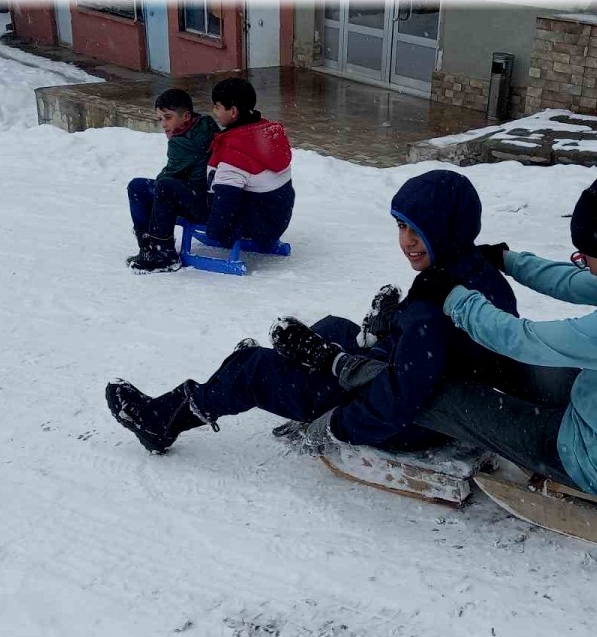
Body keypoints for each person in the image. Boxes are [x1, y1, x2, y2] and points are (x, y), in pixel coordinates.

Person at [275, 165, 597, 502]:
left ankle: (344, 373)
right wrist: (507, 259)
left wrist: (452, 295)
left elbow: (523, 338)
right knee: (506, 370)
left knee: (437, 393)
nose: (581, 263)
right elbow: (569, 282)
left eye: (587, 254)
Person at [105, 170, 515, 455]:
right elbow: (430, 361)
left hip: (412, 426)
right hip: (431, 396)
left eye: (417, 229)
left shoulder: (433, 308)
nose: (406, 241)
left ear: (447, 228)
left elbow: (397, 401)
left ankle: (162, 421)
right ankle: (270, 372)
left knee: (253, 367)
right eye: (400, 226)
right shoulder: (474, 275)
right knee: (335, 327)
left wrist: (334, 426)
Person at [127, 88, 219, 272]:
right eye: (160, 119)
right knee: (140, 185)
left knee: (154, 187)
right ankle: (149, 250)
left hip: (203, 202)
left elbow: (169, 176)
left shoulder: (184, 143)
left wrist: (163, 183)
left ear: (186, 116)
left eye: (168, 117)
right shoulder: (203, 126)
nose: (163, 124)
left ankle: (162, 252)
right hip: (203, 197)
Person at [201, 77, 294, 249]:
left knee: (167, 190)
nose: (214, 111)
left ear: (233, 112)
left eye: (217, 106)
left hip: (255, 228)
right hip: (277, 219)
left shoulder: (235, 151)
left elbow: (226, 200)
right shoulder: (267, 132)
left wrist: (214, 232)